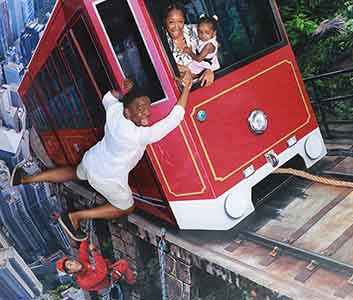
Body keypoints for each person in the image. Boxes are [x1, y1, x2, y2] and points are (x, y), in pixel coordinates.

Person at [10, 74, 193, 241]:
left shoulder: (115, 111)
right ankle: (75, 217)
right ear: (127, 112)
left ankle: (25, 178)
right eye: (140, 108)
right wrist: (186, 88)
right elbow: (174, 119)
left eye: (147, 106)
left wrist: (125, 92)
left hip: (92, 160)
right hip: (107, 178)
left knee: (75, 172)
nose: (146, 112)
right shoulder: (137, 135)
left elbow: (110, 96)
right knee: (126, 208)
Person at [56, 240, 136, 292]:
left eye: (72, 261)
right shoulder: (84, 281)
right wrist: (94, 251)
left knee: (107, 261)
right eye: (70, 265)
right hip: (109, 279)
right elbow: (102, 271)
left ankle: (126, 276)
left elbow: (83, 251)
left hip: (106, 272)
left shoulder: (81, 263)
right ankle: (132, 282)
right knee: (123, 263)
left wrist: (84, 238)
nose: (74, 262)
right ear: (70, 271)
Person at [164, 4, 215, 87]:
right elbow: (165, 66)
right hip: (185, 91)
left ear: (184, 21)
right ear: (165, 21)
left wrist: (211, 70)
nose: (176, 27)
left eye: (180, 22)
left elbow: (214, 48)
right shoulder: (161, 42)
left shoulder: (196, 31)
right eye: (171, 22)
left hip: (208, 82)